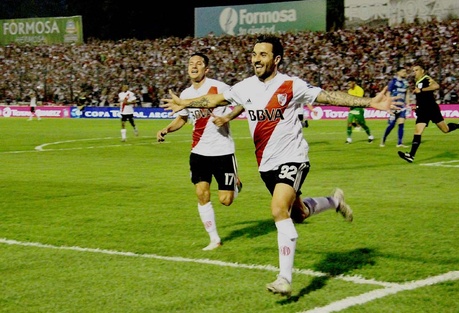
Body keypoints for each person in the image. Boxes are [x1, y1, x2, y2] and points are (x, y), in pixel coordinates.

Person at [161, 35, 394, 297]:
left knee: (277, 209)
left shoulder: (291, 85)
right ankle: (334, 201)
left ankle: (284, 277)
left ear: (276, 59)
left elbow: (328, 96)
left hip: (293, 157)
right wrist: (185, 103)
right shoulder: (245, 87)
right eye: (253, 54)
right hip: (266, 164)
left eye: (262, 54)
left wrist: (369, 102)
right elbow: (215, 100)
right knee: (299, 214)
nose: (256, 59)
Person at [156, 53, 243, 251]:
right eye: (191, 64)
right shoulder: (185, 94)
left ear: (206, 69)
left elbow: (241, 102)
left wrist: (228, 117)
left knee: (226, 200)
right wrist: (167, 129)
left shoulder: (219, 87)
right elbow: (182, 119)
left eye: (199, 64)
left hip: (222, 150)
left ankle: (236, 185)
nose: (194, 66)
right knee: (201, 194)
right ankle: (214, 239)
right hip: (199, 151)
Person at [398, 63, 459, 163]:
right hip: (423, 111)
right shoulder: (417, 82)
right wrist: (416, 106)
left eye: (417, 70)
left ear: (422, 71)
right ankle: (411, 155)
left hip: (432, 109)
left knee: (445, 130)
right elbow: (422, 97)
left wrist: (421, 90)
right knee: (417, 132)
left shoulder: (426, 78)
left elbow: (436, 86)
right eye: (413, 70)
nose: (414, 72)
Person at [380, 67, 411, 147]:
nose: (405, 73)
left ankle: (400, 143)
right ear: (398, 72)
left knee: (401, 124)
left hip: (402, 107)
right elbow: (388, 94)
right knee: (391, 125)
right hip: (393, 106)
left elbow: (407, 94)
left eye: (405, 71)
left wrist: (408, 104)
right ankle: (383, 139)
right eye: (403, 71)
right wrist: (389, 105)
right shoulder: (393, 82)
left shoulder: (406, 83)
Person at [345, 77, 374, 144]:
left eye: (349, 83)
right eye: (348, 83)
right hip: (352, 109)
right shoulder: (349, 91)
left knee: (362, 124)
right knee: (349, 123)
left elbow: (358, 100)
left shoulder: (360, 90)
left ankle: (370, 136)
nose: (348, 85)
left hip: (358, 108)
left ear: (353, 82)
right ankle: (349, 139)